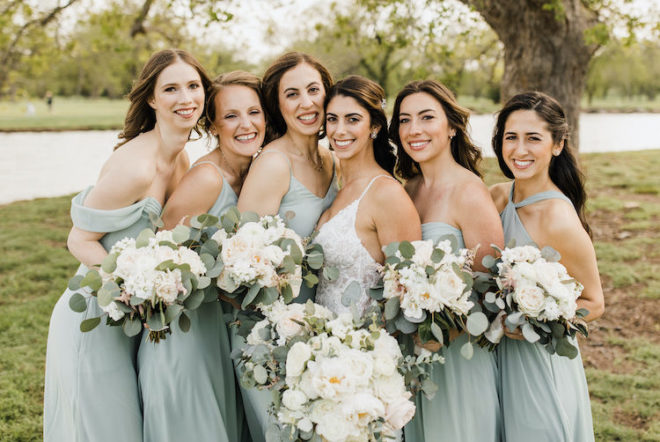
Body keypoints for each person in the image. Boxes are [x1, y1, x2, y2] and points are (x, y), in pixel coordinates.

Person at [43, 48, 210, 442]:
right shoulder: (135, 167)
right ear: (151, 98)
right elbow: (78, 239)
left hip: (131, 317)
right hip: (94, 317)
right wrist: (129, 287)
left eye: (193, 86)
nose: (186, 99)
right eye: (171, 89)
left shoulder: (181, 158)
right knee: (103, 428)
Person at [137, 71, 266, 442]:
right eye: (231, 116)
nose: (246, 124)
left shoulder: (255, 172)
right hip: (185, 335)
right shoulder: (209, 178)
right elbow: (158, 254)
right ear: (212, 124)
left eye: (254, 112)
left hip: (221, 331)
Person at [390, 80, 504, 442]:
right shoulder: (408, 189)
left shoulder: (469, 191)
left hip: (457, 355)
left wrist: (442, 333)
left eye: (427, 117)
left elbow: (492, 290)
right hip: (413, 350)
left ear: (452, 126)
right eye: (405, 120)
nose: (414, 129)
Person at [489, 91, 605, 442]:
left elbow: (594, 303)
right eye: (511, 137)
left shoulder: (559, 219)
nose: (519, 150)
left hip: (537, 364)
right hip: (493, 357)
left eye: (533, 138)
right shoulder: (496, 196)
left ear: (557, 145)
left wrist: (538, 319)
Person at [234, 51, 337, 442]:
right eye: (291, 94)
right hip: (268, 329)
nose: (307, 102)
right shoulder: (274, 163)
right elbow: (243, 261)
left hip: (319, 320)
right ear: (278, 105)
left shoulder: (331, 157)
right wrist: (281, 331)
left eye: (314, 90)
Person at [315, 75, 421, 317]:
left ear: (374, 126)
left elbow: (406, 295)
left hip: (364, 346)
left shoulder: (386, 194)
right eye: (332, 119)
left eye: (352, 120)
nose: (340, 130)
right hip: (321, 344)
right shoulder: (337, 183)